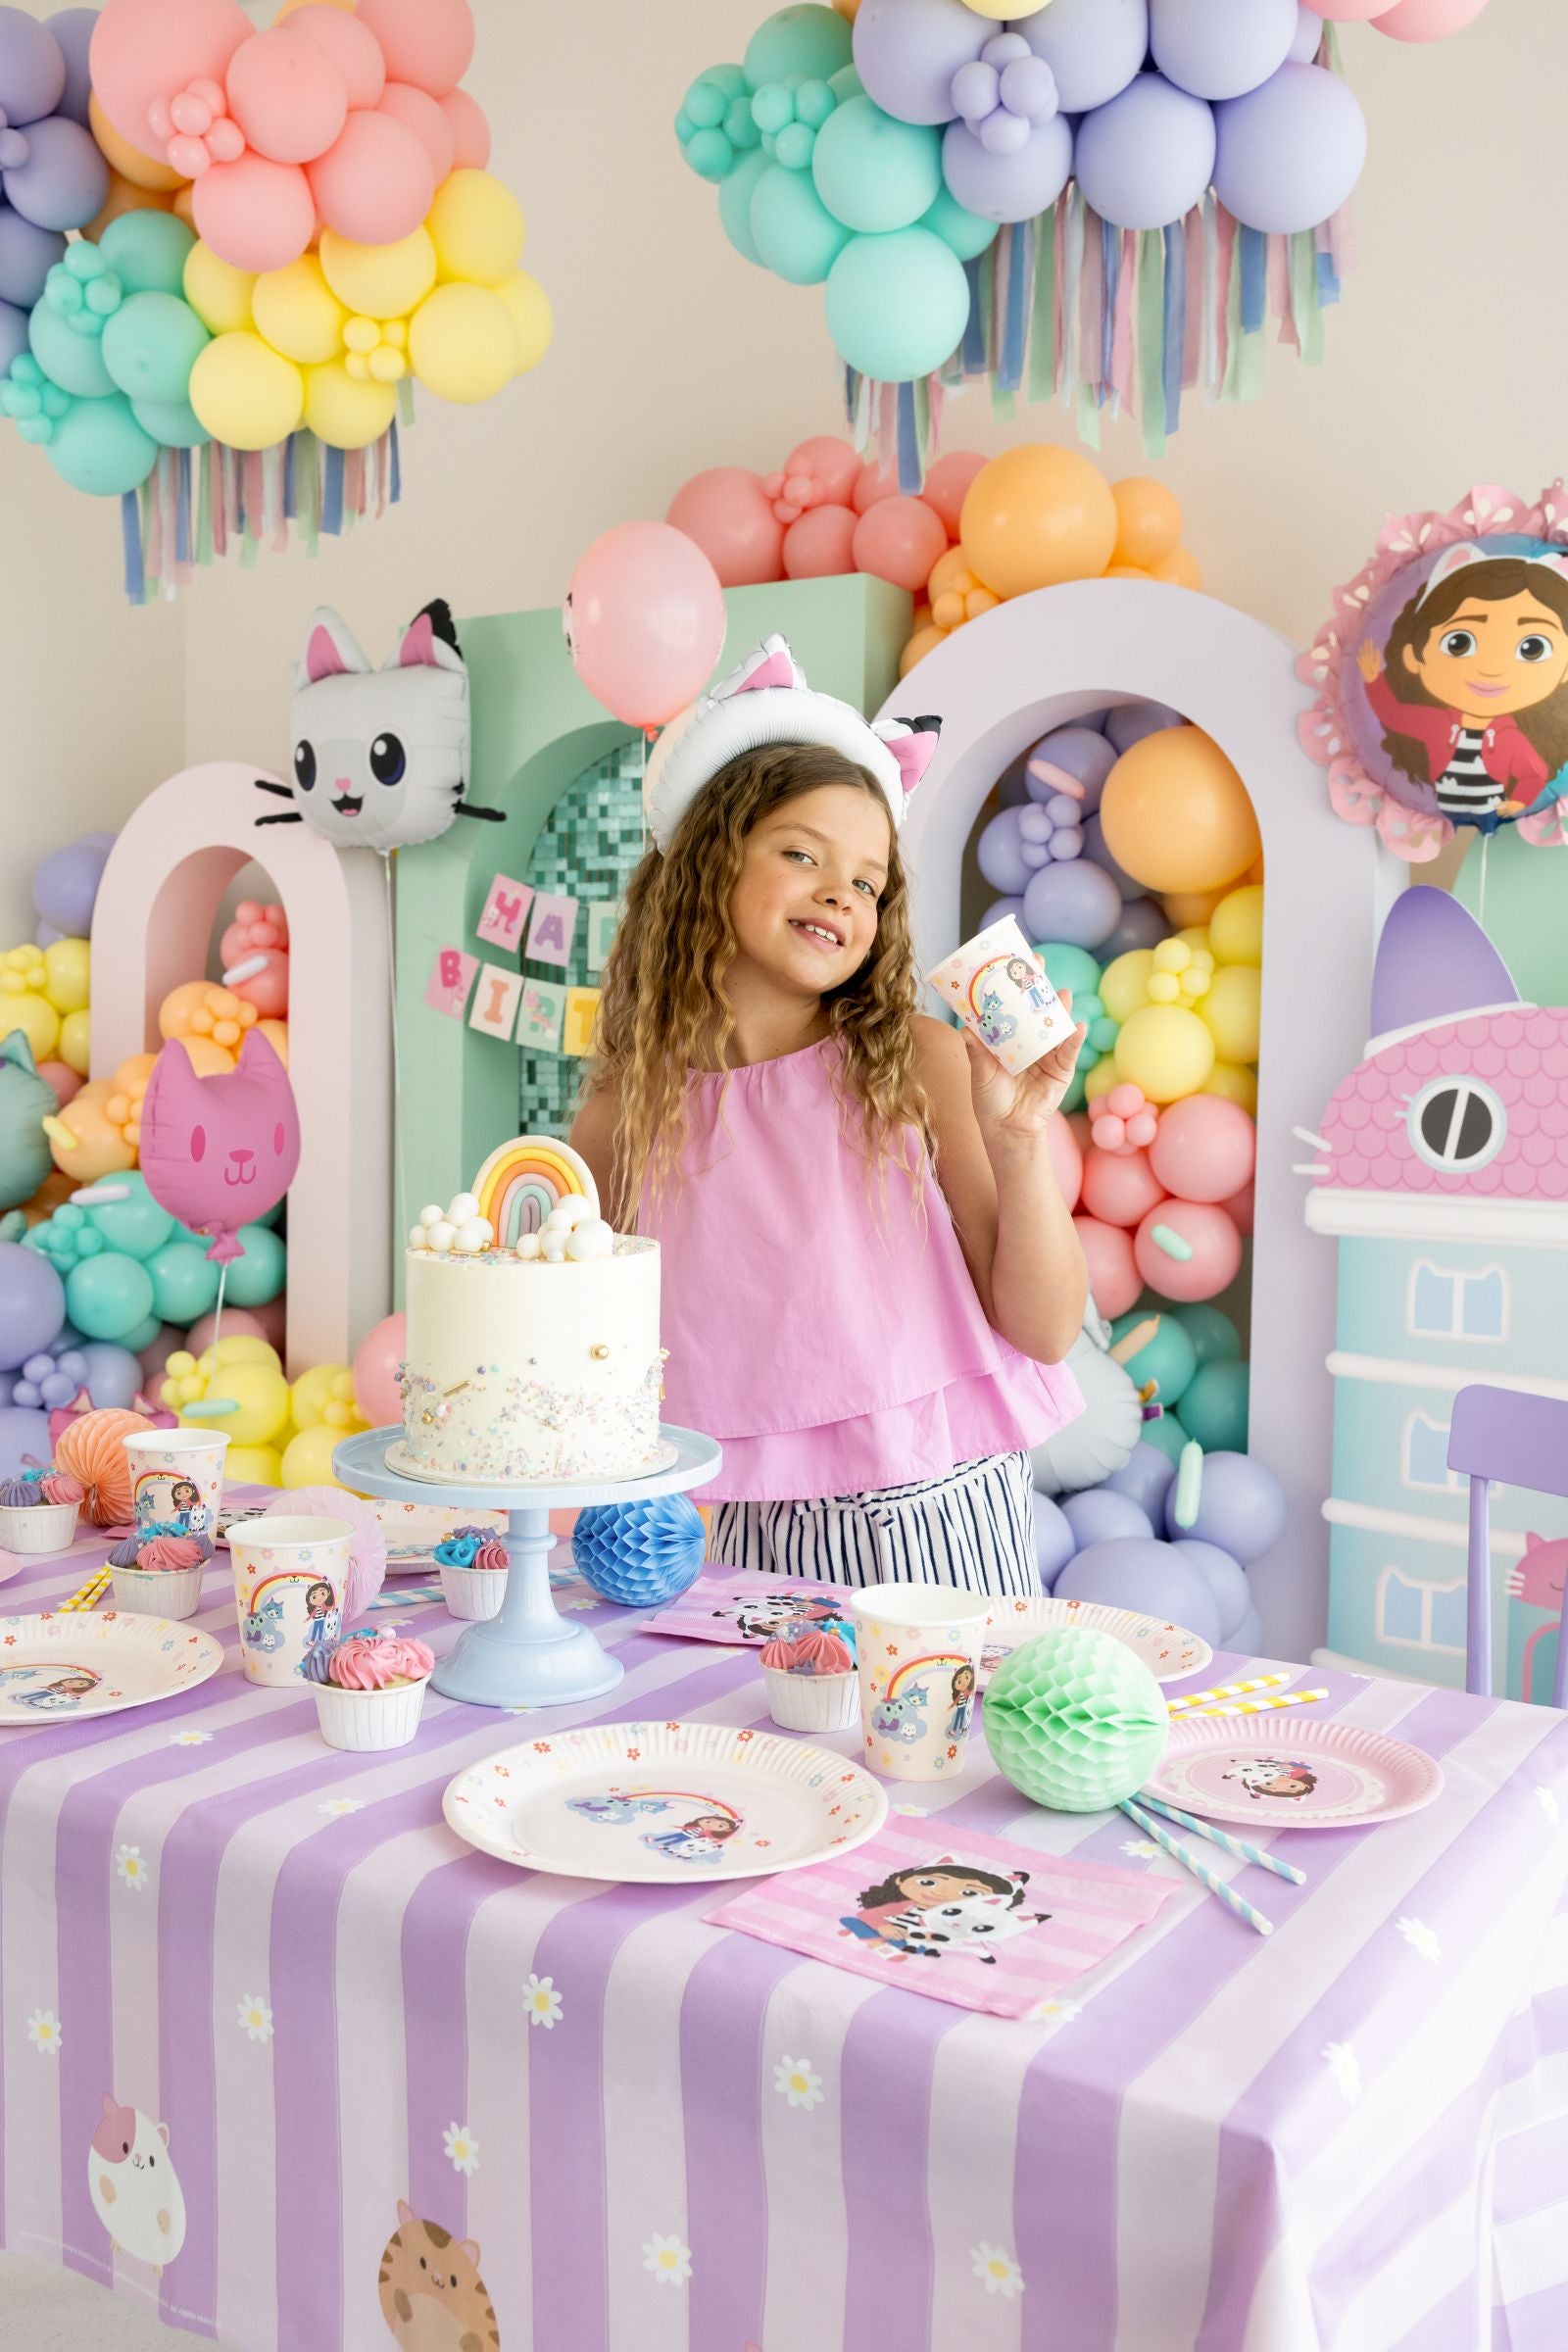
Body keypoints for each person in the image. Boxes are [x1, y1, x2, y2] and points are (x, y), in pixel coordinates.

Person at [572, 634, 1085, 1597]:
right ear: (706, 865)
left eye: (866, 881)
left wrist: (1018, 1146)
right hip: (746, 1524)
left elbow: (1046, 1331)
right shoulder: (620, 1120)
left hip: (943, 1508)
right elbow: (588, 1359)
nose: (837, 896)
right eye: (800, 854)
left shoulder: (918, 1065)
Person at [1356, 548, 1568, 832]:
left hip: (1493, 803)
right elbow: (1393, 714)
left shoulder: (1511, 738)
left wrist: (1518, 801)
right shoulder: (1434, 723)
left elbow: (1534, 774)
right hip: (1443, 799)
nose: (1491, 669)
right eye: (1459, 643)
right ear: (1414, 656)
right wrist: (1374, 680)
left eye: (1532, 648)